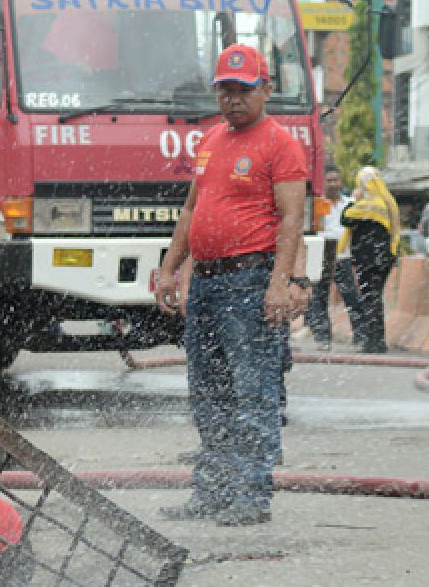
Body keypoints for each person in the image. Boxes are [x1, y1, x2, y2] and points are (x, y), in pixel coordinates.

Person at [155, 44, 305, 526]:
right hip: (207, 283)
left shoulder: (280, 144)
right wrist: (170, 267)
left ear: (266, 90)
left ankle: (250, 495)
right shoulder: (212, 140)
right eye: (225, 90)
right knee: (208, 391)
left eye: (244, 90)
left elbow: (291, 219)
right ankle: (213, 492)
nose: (233, 99)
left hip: (250, 279)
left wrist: (280, 283)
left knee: (253, 391)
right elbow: (192, 210)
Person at [340, 166, 400, 354]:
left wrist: (353, 199)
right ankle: (376, 339)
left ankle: (374, 342)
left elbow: (345, 218)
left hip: (368, 259)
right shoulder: (386, 202)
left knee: (370, 298)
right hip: (383, 257)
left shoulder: (366, 204)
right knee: (374, 297)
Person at [301, 166, 361, 350]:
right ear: (323, 182)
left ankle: (360, 337)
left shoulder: (350, 203)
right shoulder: (316, 205)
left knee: (351, 297)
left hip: (343, 257)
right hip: (321, 255)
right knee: (319, 297)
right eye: (329, 180)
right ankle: (323, 337)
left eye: (336, 180)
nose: (333, 184)